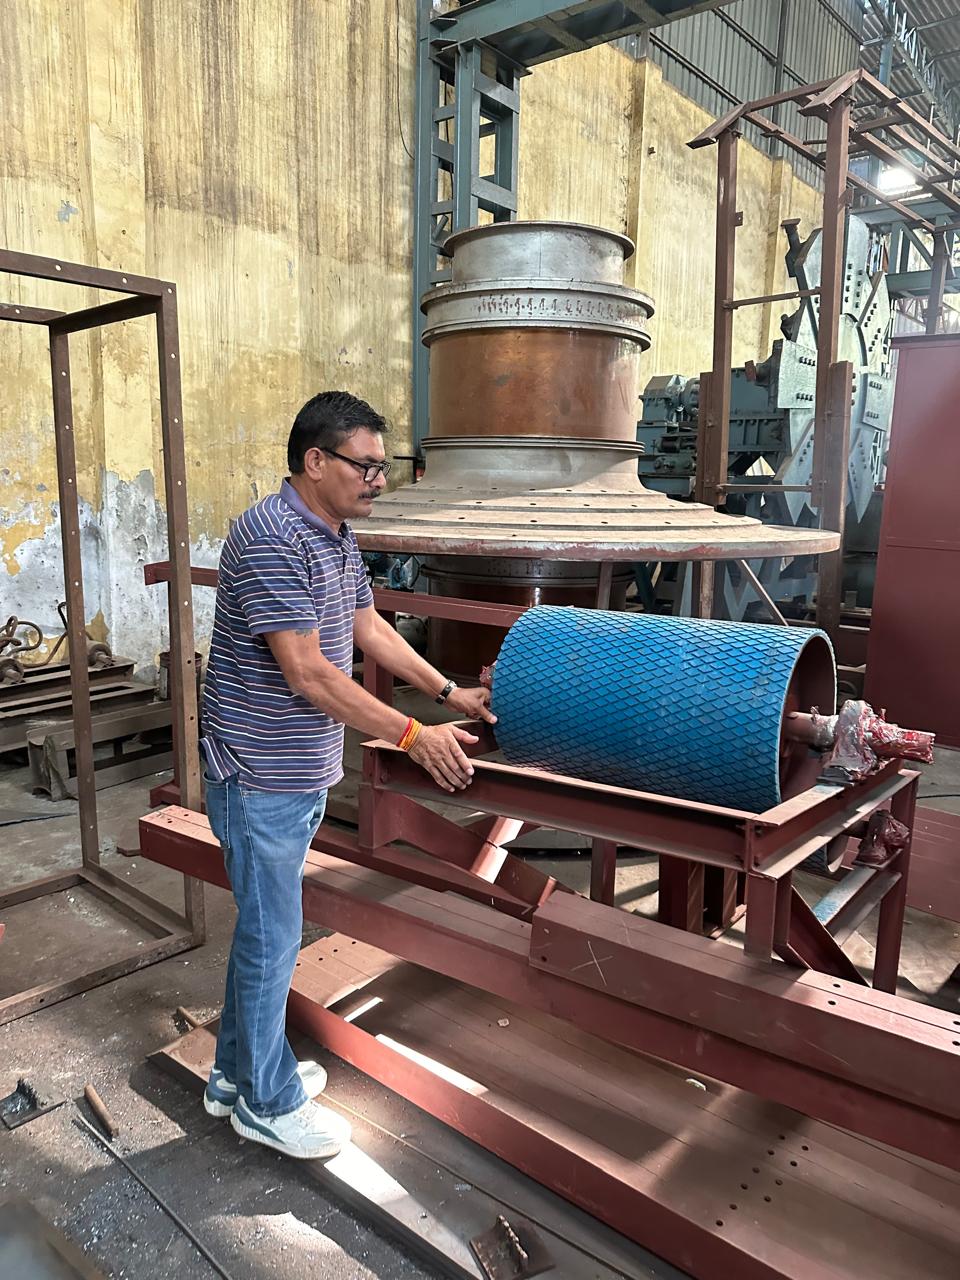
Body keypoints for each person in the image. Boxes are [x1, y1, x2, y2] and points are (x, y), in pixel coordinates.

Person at [199, 390, 495, 1159]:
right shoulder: (272, 536)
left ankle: (232, 1075)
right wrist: (410, 734)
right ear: (315, 461)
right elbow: (307, 672)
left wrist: (447, 693)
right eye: (366, 466)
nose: (379, 480)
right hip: (258, 773)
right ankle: (266, 1102)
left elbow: (366, 625)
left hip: (296, 769)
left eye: (382, 466)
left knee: (265, 931)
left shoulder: (333, 534)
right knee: (273, 937)